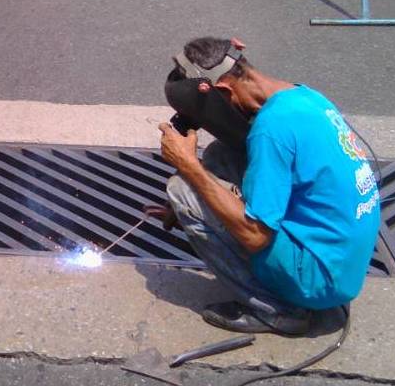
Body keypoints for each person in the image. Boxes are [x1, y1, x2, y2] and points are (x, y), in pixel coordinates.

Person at [158, 36, 381, 335]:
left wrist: (188, 167)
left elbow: (255, 237)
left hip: (318, 280)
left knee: (182, 189)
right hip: (345, 262)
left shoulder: (270, 129)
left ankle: (278, 311)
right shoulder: (303, 97)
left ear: (222, 90)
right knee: (220, 155)